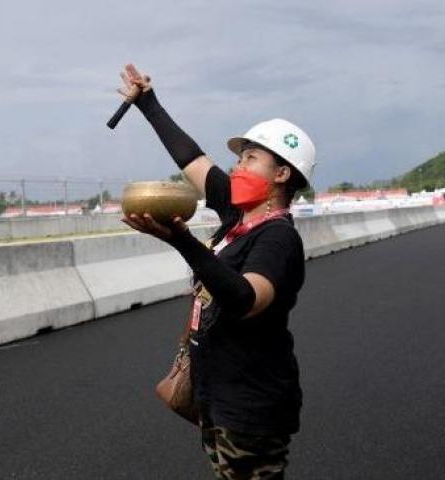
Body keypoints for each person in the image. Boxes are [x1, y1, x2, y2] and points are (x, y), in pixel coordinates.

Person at [118, 63, 315, 479]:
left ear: (281, 174)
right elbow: (190, 156)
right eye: (239, 158)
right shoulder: (236, 213)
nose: (237, 167)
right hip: (218, 397)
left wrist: (182, 240)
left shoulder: (278, 239)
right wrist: (148, 103)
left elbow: (245, 299)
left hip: (251, 407)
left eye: (250, 158)